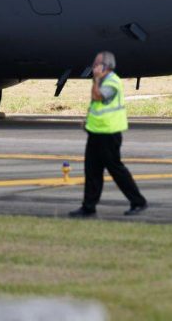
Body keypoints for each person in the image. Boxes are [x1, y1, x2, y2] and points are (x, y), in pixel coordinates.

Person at [69, 51, 147, 218]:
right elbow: (97, 105)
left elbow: (97, 96)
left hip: (109, 134)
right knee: (92, 171)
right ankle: (88, 207)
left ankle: (138, 201)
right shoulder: (103, 80)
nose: (94, 67)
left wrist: (95, 79)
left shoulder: (112, 82)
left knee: (116, 170)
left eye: (97, 64)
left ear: (106, 67)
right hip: (96, 132)